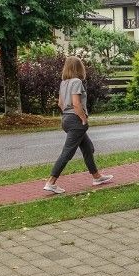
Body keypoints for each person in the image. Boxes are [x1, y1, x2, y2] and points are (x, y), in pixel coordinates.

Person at [43, 56, 113, 194]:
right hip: (76, 120)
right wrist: (83, 119)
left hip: (66, 119)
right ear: (79, 68)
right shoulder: (76, 82)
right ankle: (51, 182)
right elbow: (76, 103)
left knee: (88, 148)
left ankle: (97, 177)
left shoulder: (64, 83)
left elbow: (60, 104)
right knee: (67, 152)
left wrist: (68, 115)